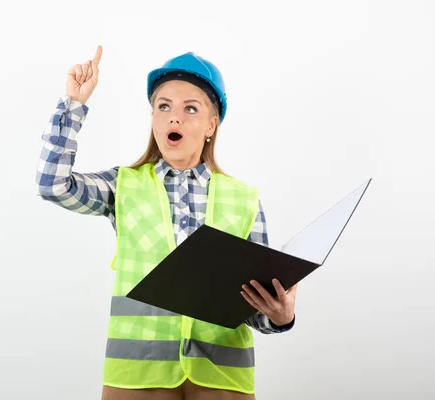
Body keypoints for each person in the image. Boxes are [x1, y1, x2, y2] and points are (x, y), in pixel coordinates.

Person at [36, 45, 299, 400]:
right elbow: (52, 185)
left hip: (221, 380)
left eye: (190, 108)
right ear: (154, 119)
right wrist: (73, 105)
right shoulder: (122, 186)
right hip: (136, 377)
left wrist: (280, 316)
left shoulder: (244, 199)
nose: (174, 118)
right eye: (163, 107)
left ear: (211, 124)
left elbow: (255, 307)